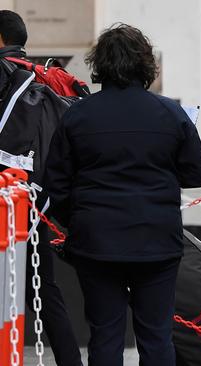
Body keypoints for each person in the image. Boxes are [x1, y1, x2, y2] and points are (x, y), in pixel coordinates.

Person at [44, 24, 201, 366]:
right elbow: (198, 173)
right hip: (156, 238)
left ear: (99, 64)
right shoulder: (171, 113)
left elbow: (56, 185)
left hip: (96, 240)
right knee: (157, 335)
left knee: (105, 334)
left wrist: (77, 221)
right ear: (145, 65)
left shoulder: (77, 115)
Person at [0, 10, 84, 366]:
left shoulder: (6, 73)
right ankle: (69, 360)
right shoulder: (42, 76)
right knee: (46, 290)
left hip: (7, 198)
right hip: (36, 203)